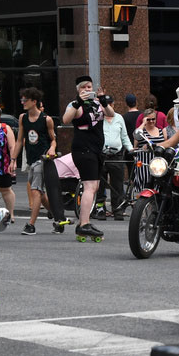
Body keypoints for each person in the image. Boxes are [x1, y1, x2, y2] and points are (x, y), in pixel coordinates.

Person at [62, 75, 116, 240]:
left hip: (96, 151)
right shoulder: (75, 105)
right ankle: (84, 224)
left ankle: (84, 222)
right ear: (78, 89)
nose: (87, 90)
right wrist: (78, 101)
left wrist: (102, 100)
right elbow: (65, 120)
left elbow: (111, 114)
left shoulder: (97, 103)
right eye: (83, 87)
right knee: (90, 187)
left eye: (89, 87)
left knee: (94, 186)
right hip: (83, 150)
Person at [14, 87, 57, 235]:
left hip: (42, 159)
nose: (23, 102)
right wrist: (13, 159)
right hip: (31, 160)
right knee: (41, 193)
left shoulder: (46, 119)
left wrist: (52, 149)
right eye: (22, 99)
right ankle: (56, 215)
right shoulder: (22, 118)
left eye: (25, 100)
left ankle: (31, 225)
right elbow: (19, 141)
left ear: (34, 101)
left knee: (35, 190)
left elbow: (53, 140)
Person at [100, 100, 134, 220]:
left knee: (117, 184)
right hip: (102, 154)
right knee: (100, 184)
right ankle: (100, 209)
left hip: (116, 155)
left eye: (110, 105)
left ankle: (117, 209)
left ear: (113, 106)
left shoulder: (119, 118)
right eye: (105, 105)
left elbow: (124, 136)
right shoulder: (98, 118)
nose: (107, 108)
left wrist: (131, 149)